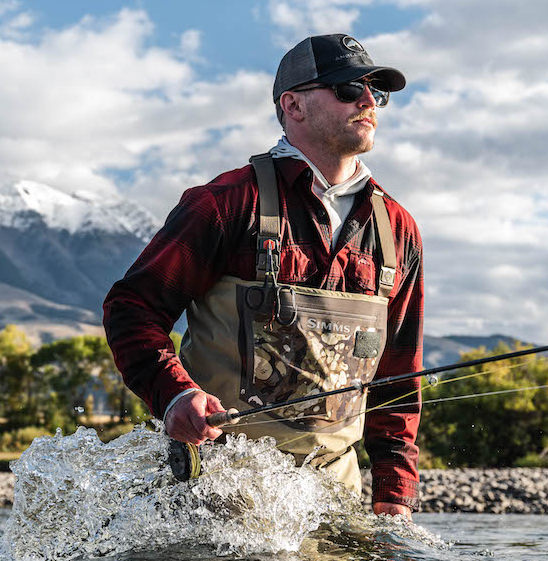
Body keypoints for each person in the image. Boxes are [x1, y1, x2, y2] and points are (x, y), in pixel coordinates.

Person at [103, 34, 424, 516]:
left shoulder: (399, 229)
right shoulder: (226, 203)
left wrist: (393, 500)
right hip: (212, 498)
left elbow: (399, 379)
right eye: (345, 89)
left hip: (335, 501)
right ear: (292, 105)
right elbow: (132, 309)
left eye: (375, 92)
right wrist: (175, 395)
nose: (366, 101)